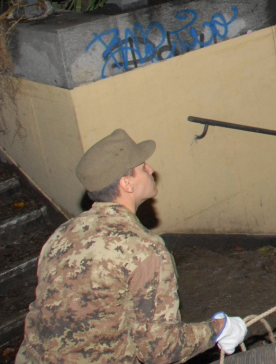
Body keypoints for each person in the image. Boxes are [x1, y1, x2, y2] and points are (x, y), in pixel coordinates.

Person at [16, 129, 247, 364]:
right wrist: (220, 328)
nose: (151, 170)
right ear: (127, 184)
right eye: (143, 166)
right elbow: (160, 349)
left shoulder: (62, 234)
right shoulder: (145, 250)